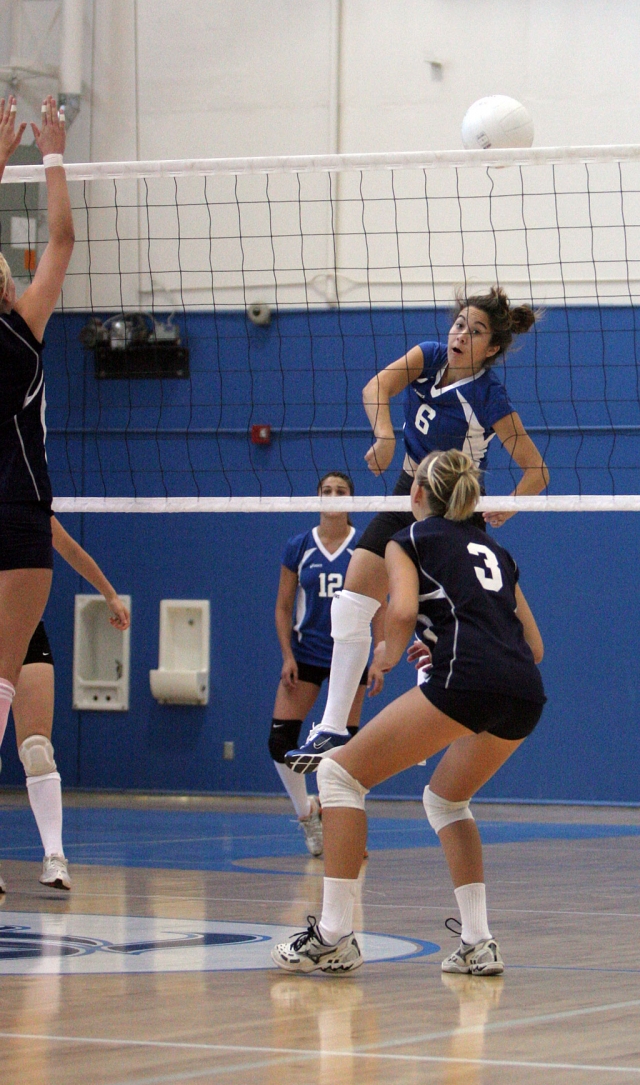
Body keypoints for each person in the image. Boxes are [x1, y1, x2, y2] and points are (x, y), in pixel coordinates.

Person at [272, 448, 545, 976]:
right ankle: (477, 941)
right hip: (524, 692)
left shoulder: (408, 539)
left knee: (337, 776)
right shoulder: (496, 551)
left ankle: (333, 934)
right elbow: (533, 646)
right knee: (446, 800)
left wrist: (388, 652)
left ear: (415, 493)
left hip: (467, 680)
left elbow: (398, 609)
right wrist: (444, 641)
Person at [286, 287, 549, 772]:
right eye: (458, 325)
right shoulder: (427, 357)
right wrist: (384, 436)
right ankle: (332, 727)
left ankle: (435, 710)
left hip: (452, 510)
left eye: (475, 332)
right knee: (352, 599)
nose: (460, 336)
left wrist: (509, 507)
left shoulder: (489, 395)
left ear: (492, 348)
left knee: (447, 621)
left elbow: (537, 471)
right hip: (410, 490)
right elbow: (375, 388)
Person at [0, 97, 74, 807]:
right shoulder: (22, 331)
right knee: (2, 681)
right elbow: (61, 241)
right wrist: (49, 156)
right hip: (19, 515)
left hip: (17, 516)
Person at [0, 517, 130, 894]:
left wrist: (109, 594)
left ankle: (55, 857)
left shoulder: (29, 498)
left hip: (25, 629)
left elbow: (69, 547)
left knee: (37, 748)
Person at [270, 472, 374, 856]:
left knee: (345, 749)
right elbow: (283, 607)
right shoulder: (299, 546)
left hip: (351, 654)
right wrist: (287, 655)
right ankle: (307, 814)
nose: (333, 496)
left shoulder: (364, 545)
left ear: (351, 499)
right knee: (280, 741)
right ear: (317, 497)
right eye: (326, 491)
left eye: (341, 491)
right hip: (307, 653)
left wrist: (379, 656)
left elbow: (378, 601)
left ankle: (344, 828)